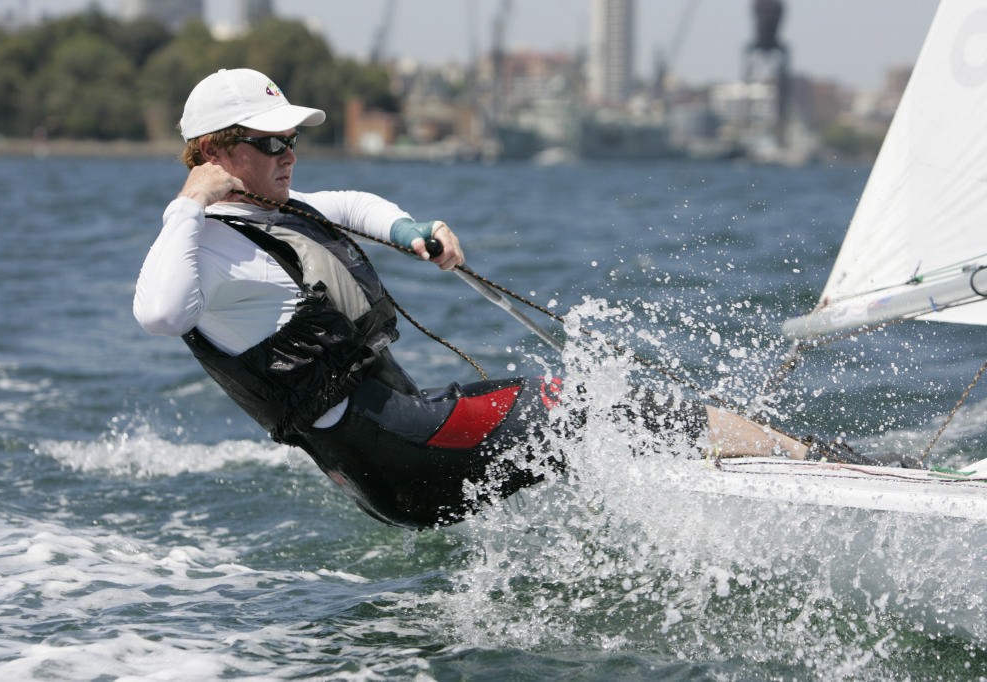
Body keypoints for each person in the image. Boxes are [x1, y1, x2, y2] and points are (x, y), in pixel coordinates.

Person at [134, 68, 816, 530]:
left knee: (594, 432)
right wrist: (187, 204)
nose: (290, 152)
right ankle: (808, 460)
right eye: (270, 140)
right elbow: (159, 313)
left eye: (293, 138)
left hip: (387, 472)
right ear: (217, 154)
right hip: (404, 453)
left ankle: (735, 472)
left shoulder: (267, 210)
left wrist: (411, 231)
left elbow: (345, 204)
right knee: (602, 404)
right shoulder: (205, 245)